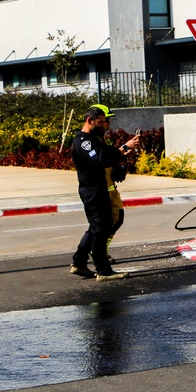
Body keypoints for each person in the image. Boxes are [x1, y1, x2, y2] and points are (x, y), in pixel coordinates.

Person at [70, 104, 139, 281]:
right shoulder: (83, 141)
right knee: (100, 229)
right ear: (89, 121)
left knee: (96, 228)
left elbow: (108, 154)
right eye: (100, 122)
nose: (105, 125)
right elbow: (100, 159)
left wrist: (122, 154)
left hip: (98, 187)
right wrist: (123, 149)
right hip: (92, 190)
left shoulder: (94, 139)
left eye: (105, 121)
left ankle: (79, 262)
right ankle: (103, 271)